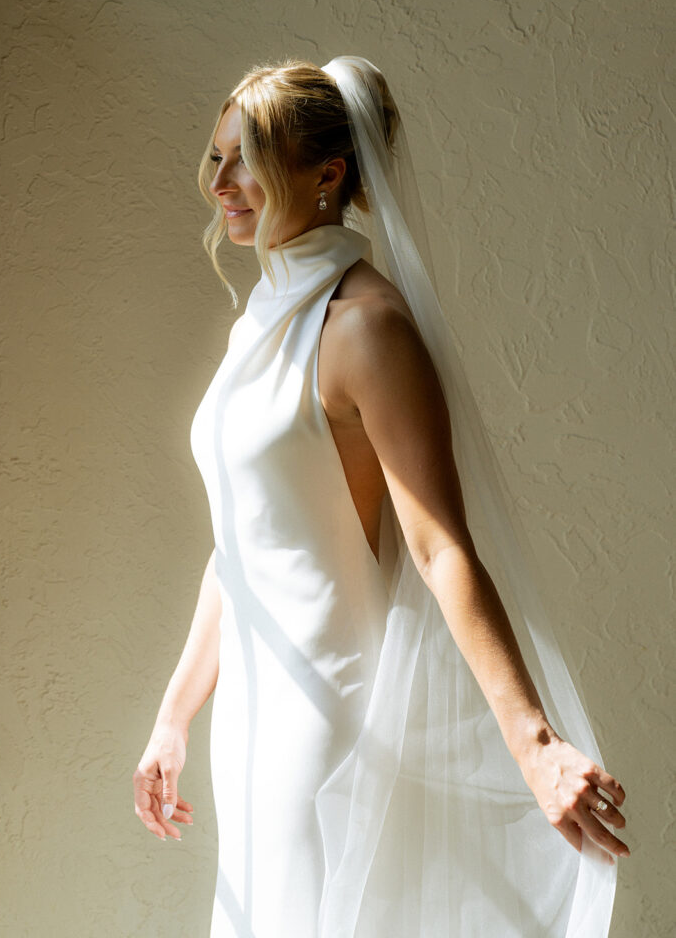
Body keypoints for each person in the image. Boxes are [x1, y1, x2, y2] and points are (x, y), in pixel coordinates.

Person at [133, 56, 629, 937]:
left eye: (246, 160)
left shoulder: (364, 328)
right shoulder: (259, 321)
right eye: (215, 160)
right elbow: (243, 540)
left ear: (327, 175)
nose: (221, 186)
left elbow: (440, 548)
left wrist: (535, 743)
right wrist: (174, 717)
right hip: (253, 713)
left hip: (327, 713)